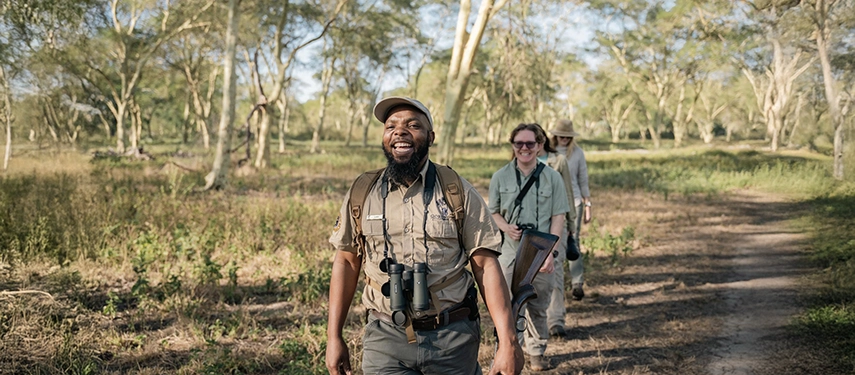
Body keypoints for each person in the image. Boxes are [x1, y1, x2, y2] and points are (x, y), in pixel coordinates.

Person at [326, 96, 523, 375]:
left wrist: (509, 342)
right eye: (390, 126)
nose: (399, 131)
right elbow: (346, 262)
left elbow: (485, 265)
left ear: (430, 136)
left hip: (452, 338)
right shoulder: (363, 191)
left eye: (413, 125)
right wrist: (333, 336)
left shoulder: (456, 189)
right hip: (385, 338)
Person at [488, 123, 570, 372]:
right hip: (510, 252)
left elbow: (559, 216)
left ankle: (536, 352)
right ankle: (508, 352)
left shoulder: (552, 177)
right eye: (519, 144)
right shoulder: (500, 176)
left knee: (538, 304)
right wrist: (506, 227)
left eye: (530, 144)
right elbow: (492, 212)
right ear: (512, 146)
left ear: (539, 146)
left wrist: (551, 253)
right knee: (507, 306)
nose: (524, 148)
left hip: (540, 253)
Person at [533, 129, 578, 339]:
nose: (528, 146)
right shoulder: (519, 162)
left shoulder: (558, 162)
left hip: (555, 225)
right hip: (527, 229)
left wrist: (571, 224)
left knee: (555, 272)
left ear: (543, 141)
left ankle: (556, 320)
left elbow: (568, 192)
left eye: (534, 141)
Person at [549, 119, 591, 303]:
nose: (564, 139)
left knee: (573, 240)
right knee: (554, 243)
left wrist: (587, 203)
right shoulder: (548, 153)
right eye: (561, 135)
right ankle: (554, 285)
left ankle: (577, 283)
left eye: (568, 136)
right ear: (555, 135)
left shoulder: (578, 153)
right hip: (552, 204)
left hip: (574, 201)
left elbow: (583, 179)